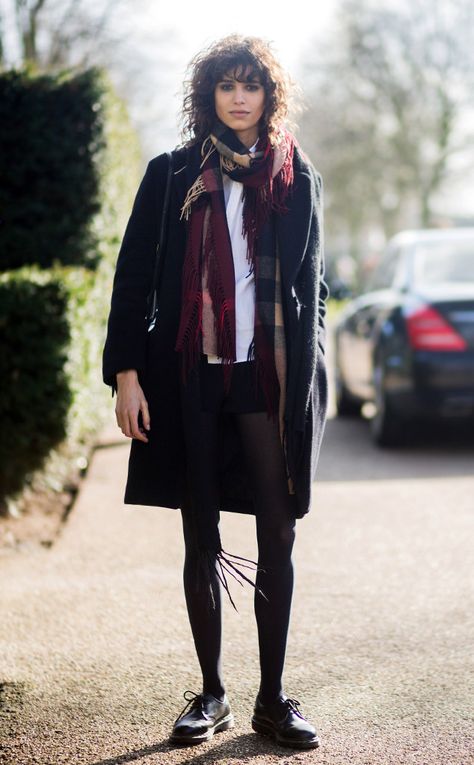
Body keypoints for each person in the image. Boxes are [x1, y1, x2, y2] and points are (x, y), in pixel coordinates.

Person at [102, 34, 328, 750]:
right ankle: (213, 692)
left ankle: (271, 697)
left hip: (268, 375)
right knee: (199, 530)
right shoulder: (173, 176)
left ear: (269, 94)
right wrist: (127, 374)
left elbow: (311, 289)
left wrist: (310, 362)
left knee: (278, 528)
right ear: (208, 95)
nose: (239, 97)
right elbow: (133, 277)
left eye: (251, 85)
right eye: (226, 85)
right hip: (189, 371)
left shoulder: (297, 178)